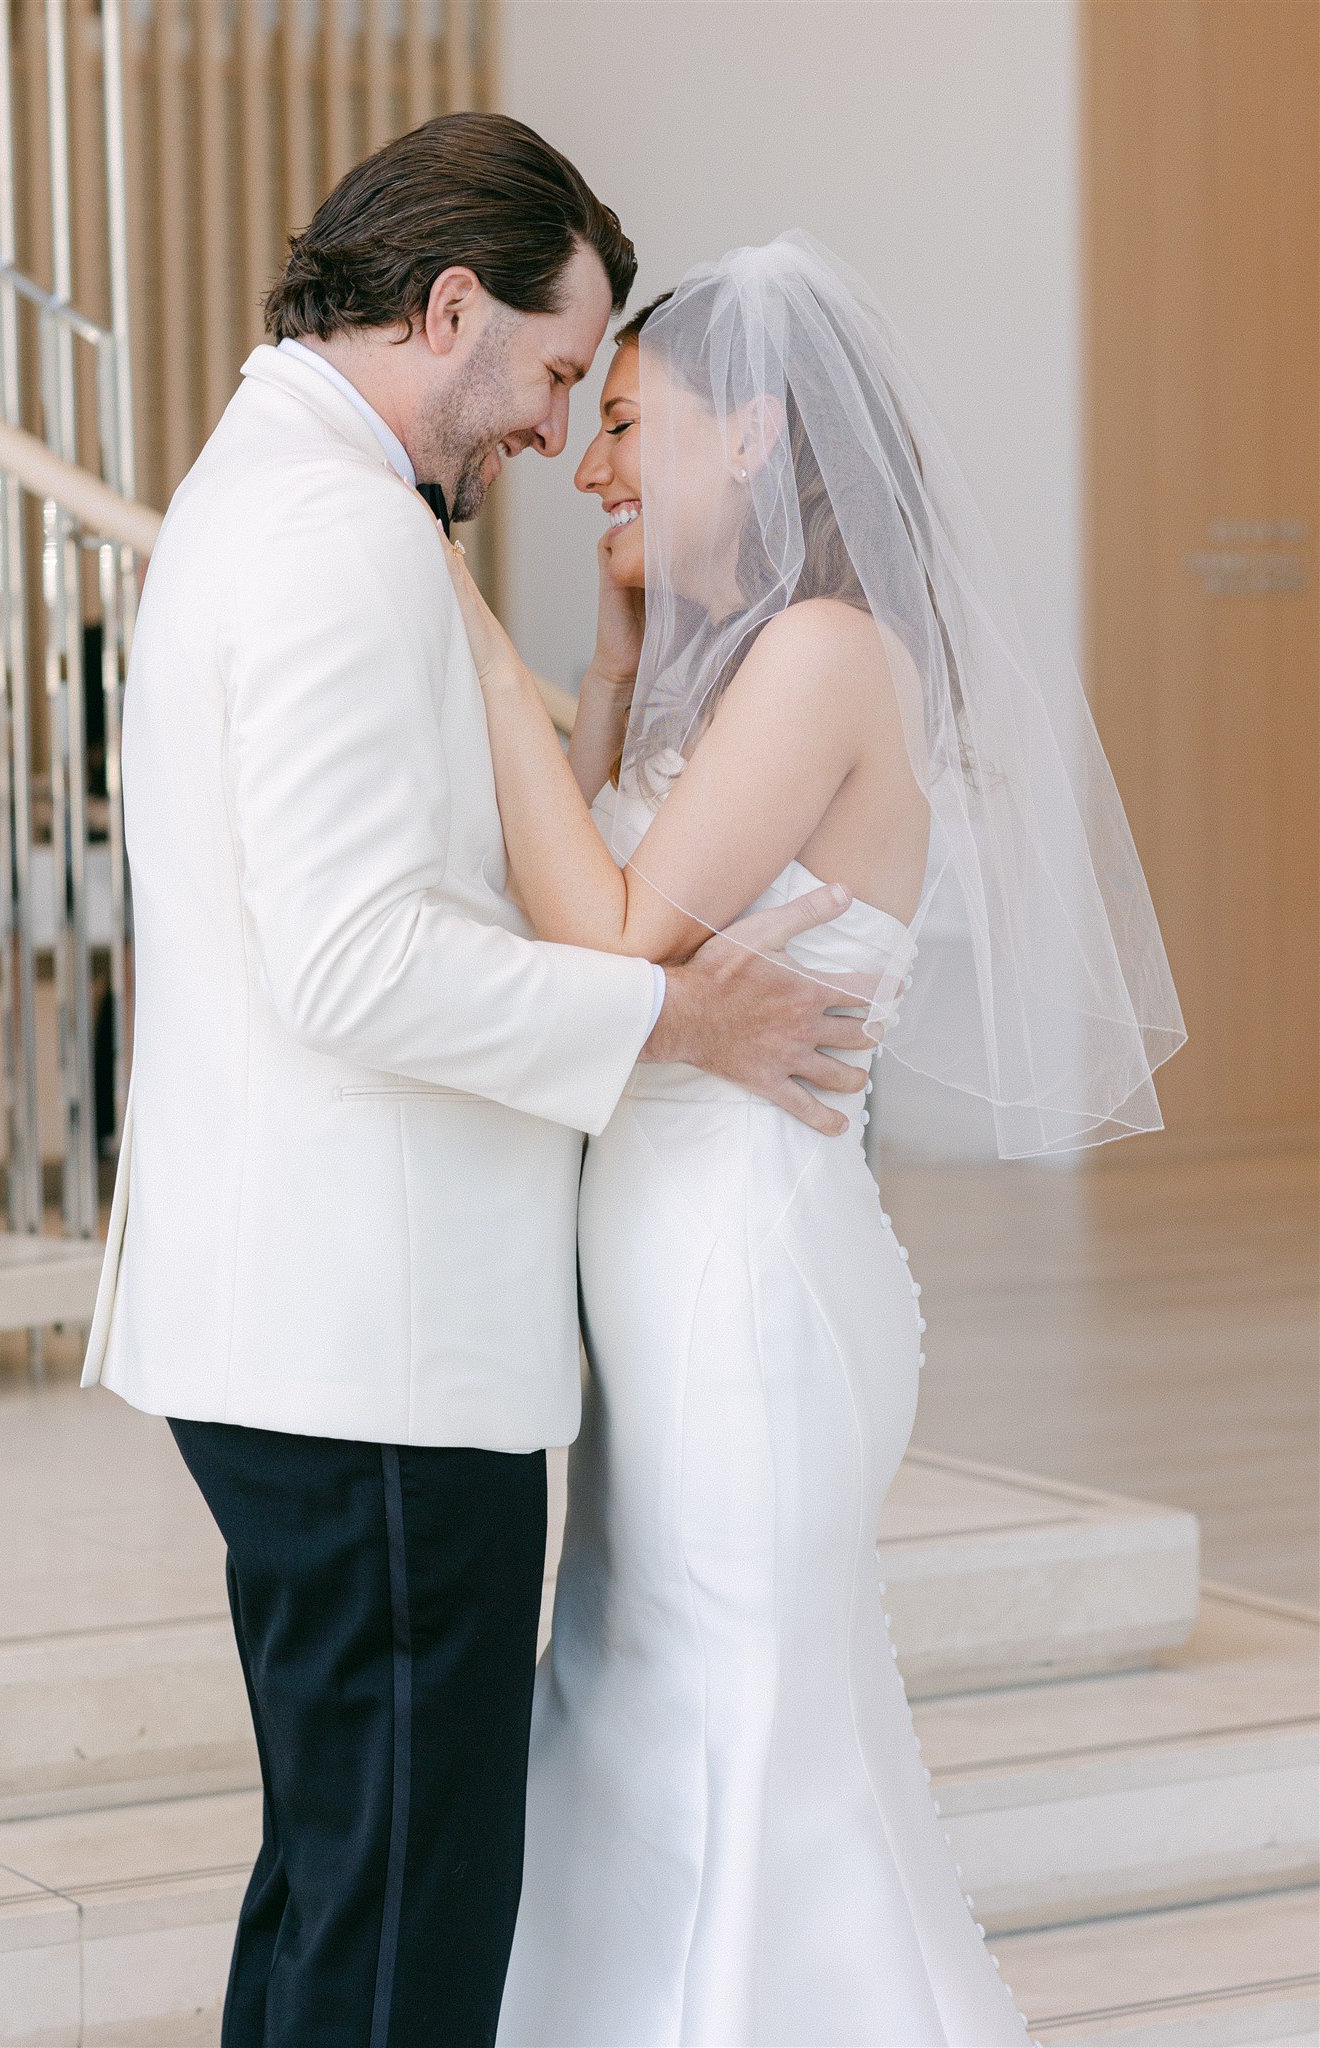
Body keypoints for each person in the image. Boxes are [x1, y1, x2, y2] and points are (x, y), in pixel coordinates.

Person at [79, 135, 877, 2048]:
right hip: (371, 1339)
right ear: (450, 312)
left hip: (317, 1320)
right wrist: (673, 1029)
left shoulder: (287, 493)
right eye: (546, 371)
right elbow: (354, 962)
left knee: (342, 1874)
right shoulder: (343, 533)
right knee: (403, 1912)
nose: (550, 430)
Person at [441, 231, 1184, 2047]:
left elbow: (609, 937)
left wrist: (468, 643)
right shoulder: (729, 669)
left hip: (743, 1282)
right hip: (675, 1274)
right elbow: (596, 926)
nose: (596, 466)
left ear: (756, 434)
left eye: (629, 424)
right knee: (640, 1688)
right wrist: (605, 660)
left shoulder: (827, 656)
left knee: (735, 1714)